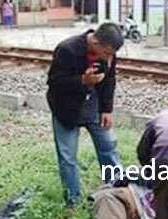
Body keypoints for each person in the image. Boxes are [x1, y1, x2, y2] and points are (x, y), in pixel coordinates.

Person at [47, 23, 124, 208]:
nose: (109, 58)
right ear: (95, 42)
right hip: (66, 108)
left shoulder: (109, 53)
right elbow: (54, 81)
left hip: (93, 105)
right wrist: (82, 80)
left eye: (112, 54)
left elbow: (110, 81)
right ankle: (73, 201)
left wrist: (107, 109)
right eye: (106, 53)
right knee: (68, 157)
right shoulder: (67, 49)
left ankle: (118, 191)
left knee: (108, 148)